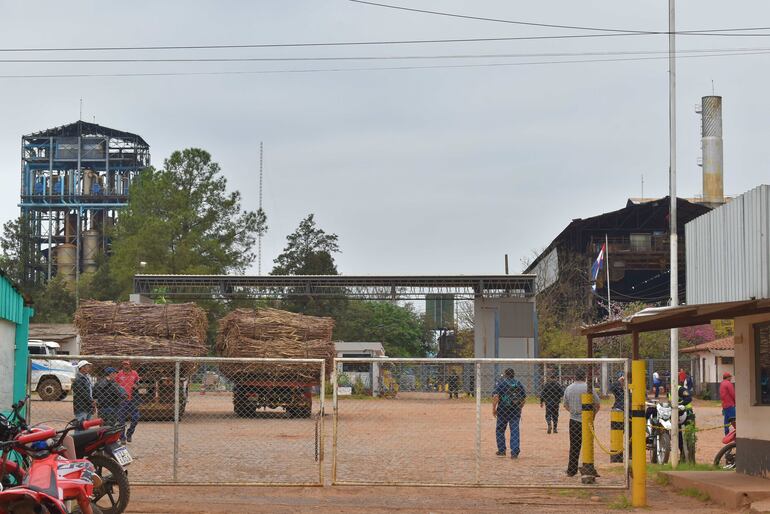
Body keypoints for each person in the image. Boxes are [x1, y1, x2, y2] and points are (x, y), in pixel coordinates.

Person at [563, 369, 600, 477]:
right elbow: (597, 405)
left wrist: (573, 412)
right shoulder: (588, 388)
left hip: (574, 420)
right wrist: (592, 416)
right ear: (584, 377)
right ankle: (589, 466)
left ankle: (572, 470)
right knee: (588, 445)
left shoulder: (569, 388)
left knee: (574, 445)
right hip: (587, 420)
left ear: (575, 376)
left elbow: (565, 405)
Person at [492, 368, 526, 459]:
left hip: (503, 410)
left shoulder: (501, 383)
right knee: (514, 430)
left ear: (505, 374)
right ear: (513, 374)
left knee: (500, 430)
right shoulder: (518, 383)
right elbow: (523, 398)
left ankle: (502, 450)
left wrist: (494, 409)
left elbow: (496, 396)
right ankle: (514, 452)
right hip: (515, 410)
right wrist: (520, 408)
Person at [116, 360, 141, 442]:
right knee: (121, 419)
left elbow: (138, 383)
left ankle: (129, 433)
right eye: (124, 365)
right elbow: (115, 385)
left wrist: (136, 386)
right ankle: (122, 437)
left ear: (130, 365)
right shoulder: (119, 374)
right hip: (122, 400)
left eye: (127, 364)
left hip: (132, 399)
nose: (125, 366)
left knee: (136, 417)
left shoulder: (134, 373)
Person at [719, 372, 735, 436]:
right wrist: (736, 401)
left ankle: (726, 433)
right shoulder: (729, 384)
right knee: (734, 419)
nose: (731, 378)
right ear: (728, 377)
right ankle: (737, 433)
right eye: (730, 377)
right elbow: (732, 394)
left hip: (725, 404)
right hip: (730, 404)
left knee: (726, 420)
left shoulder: (722, 384)